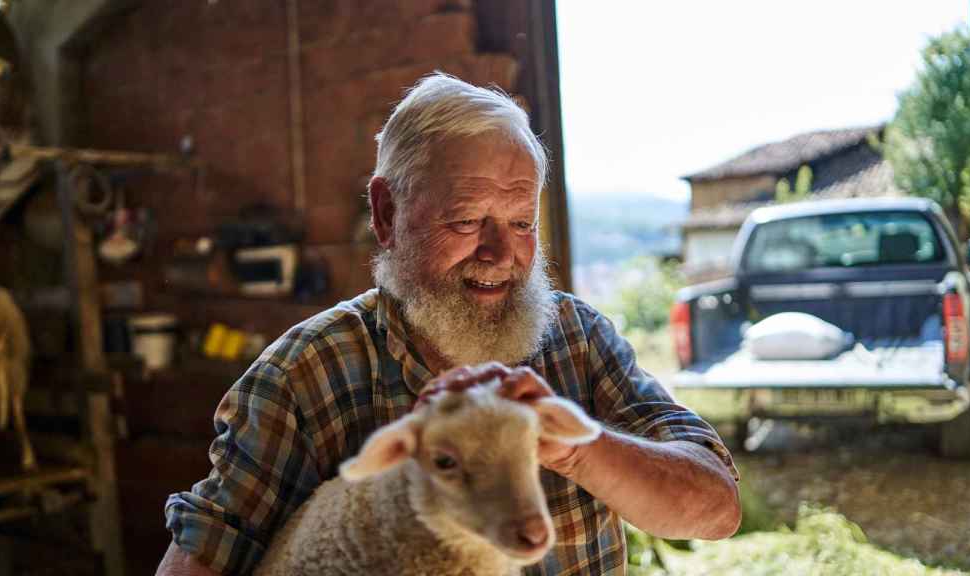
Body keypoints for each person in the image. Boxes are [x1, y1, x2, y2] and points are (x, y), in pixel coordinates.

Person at [156, 73, 740, 576]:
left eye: (520, 221)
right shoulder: (303, 375)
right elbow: (203, 557)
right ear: (387, 214)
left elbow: (716, 511)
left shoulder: (576, 337)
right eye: (466, 219)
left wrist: (575, 449)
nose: (500, 252)